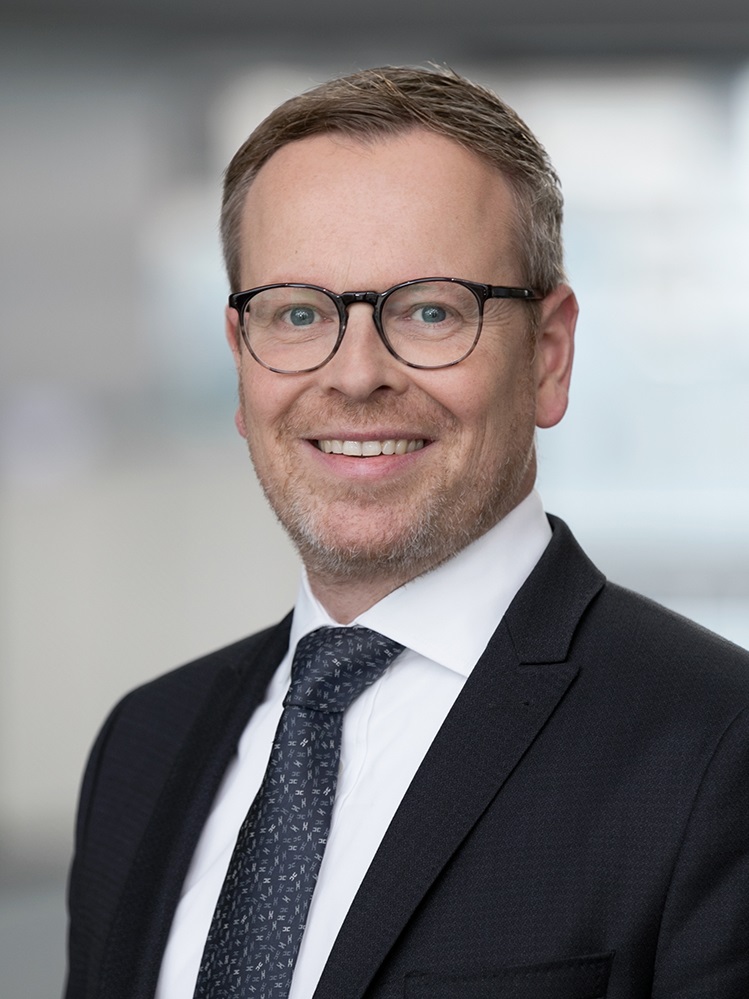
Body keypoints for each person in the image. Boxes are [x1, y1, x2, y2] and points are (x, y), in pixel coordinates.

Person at [64, 66, 749, 999]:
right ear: (240, 359)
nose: (355, 375)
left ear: (548, 356)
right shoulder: (144, 743)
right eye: (297, 313)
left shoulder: (714, 746)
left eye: (430, 310)